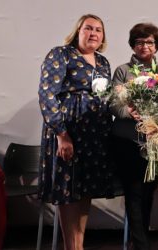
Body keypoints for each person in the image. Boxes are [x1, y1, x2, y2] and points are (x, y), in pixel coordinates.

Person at [38, 14, 114, 250]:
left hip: (94, 134)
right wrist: (62, 134)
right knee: (68, 190)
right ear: (77, 31)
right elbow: (47, 94)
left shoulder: (103, 62)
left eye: (98, 30)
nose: (93, 33)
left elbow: (105, 97)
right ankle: (73, 247)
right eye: (88, 28)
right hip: (68, 132)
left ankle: (78, 244)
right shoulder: (61, 54)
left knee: (84, 190)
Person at [110, 23, 158, 250]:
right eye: (139, 42)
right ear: (133, 45)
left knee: (149, 192)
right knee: (134, 192)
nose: (144, 46)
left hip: (153, 142)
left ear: (156, 46)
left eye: (149, 42)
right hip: (127, 142)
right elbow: (113, 104)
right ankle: (141, 244)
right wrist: (129, 112)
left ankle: (138, 238)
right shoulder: (123, 70)